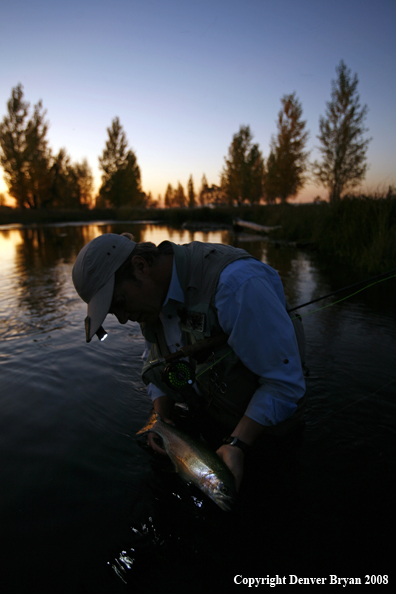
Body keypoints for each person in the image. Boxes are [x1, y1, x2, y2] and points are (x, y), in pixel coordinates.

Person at [72, 232, 306, 492]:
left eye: (120, 304)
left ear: (140, 267)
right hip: (210, 428)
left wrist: (237, 444)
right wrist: (161, 417)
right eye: (114, 313)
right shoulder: (149, 301)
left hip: (267, 438)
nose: (124, 318)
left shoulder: (237, 285)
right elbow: (155, 360)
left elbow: (285, 384)